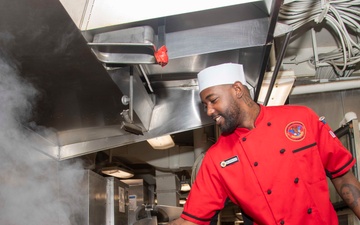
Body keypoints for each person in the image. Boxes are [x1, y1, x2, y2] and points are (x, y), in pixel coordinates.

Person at [169, 63, 360, 225]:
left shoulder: (301, 118)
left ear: (237, 90)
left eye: (213, 100)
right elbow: (191, 220)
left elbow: (343, 177)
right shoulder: (216, 159)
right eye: (205, 105)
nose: (209, 111)